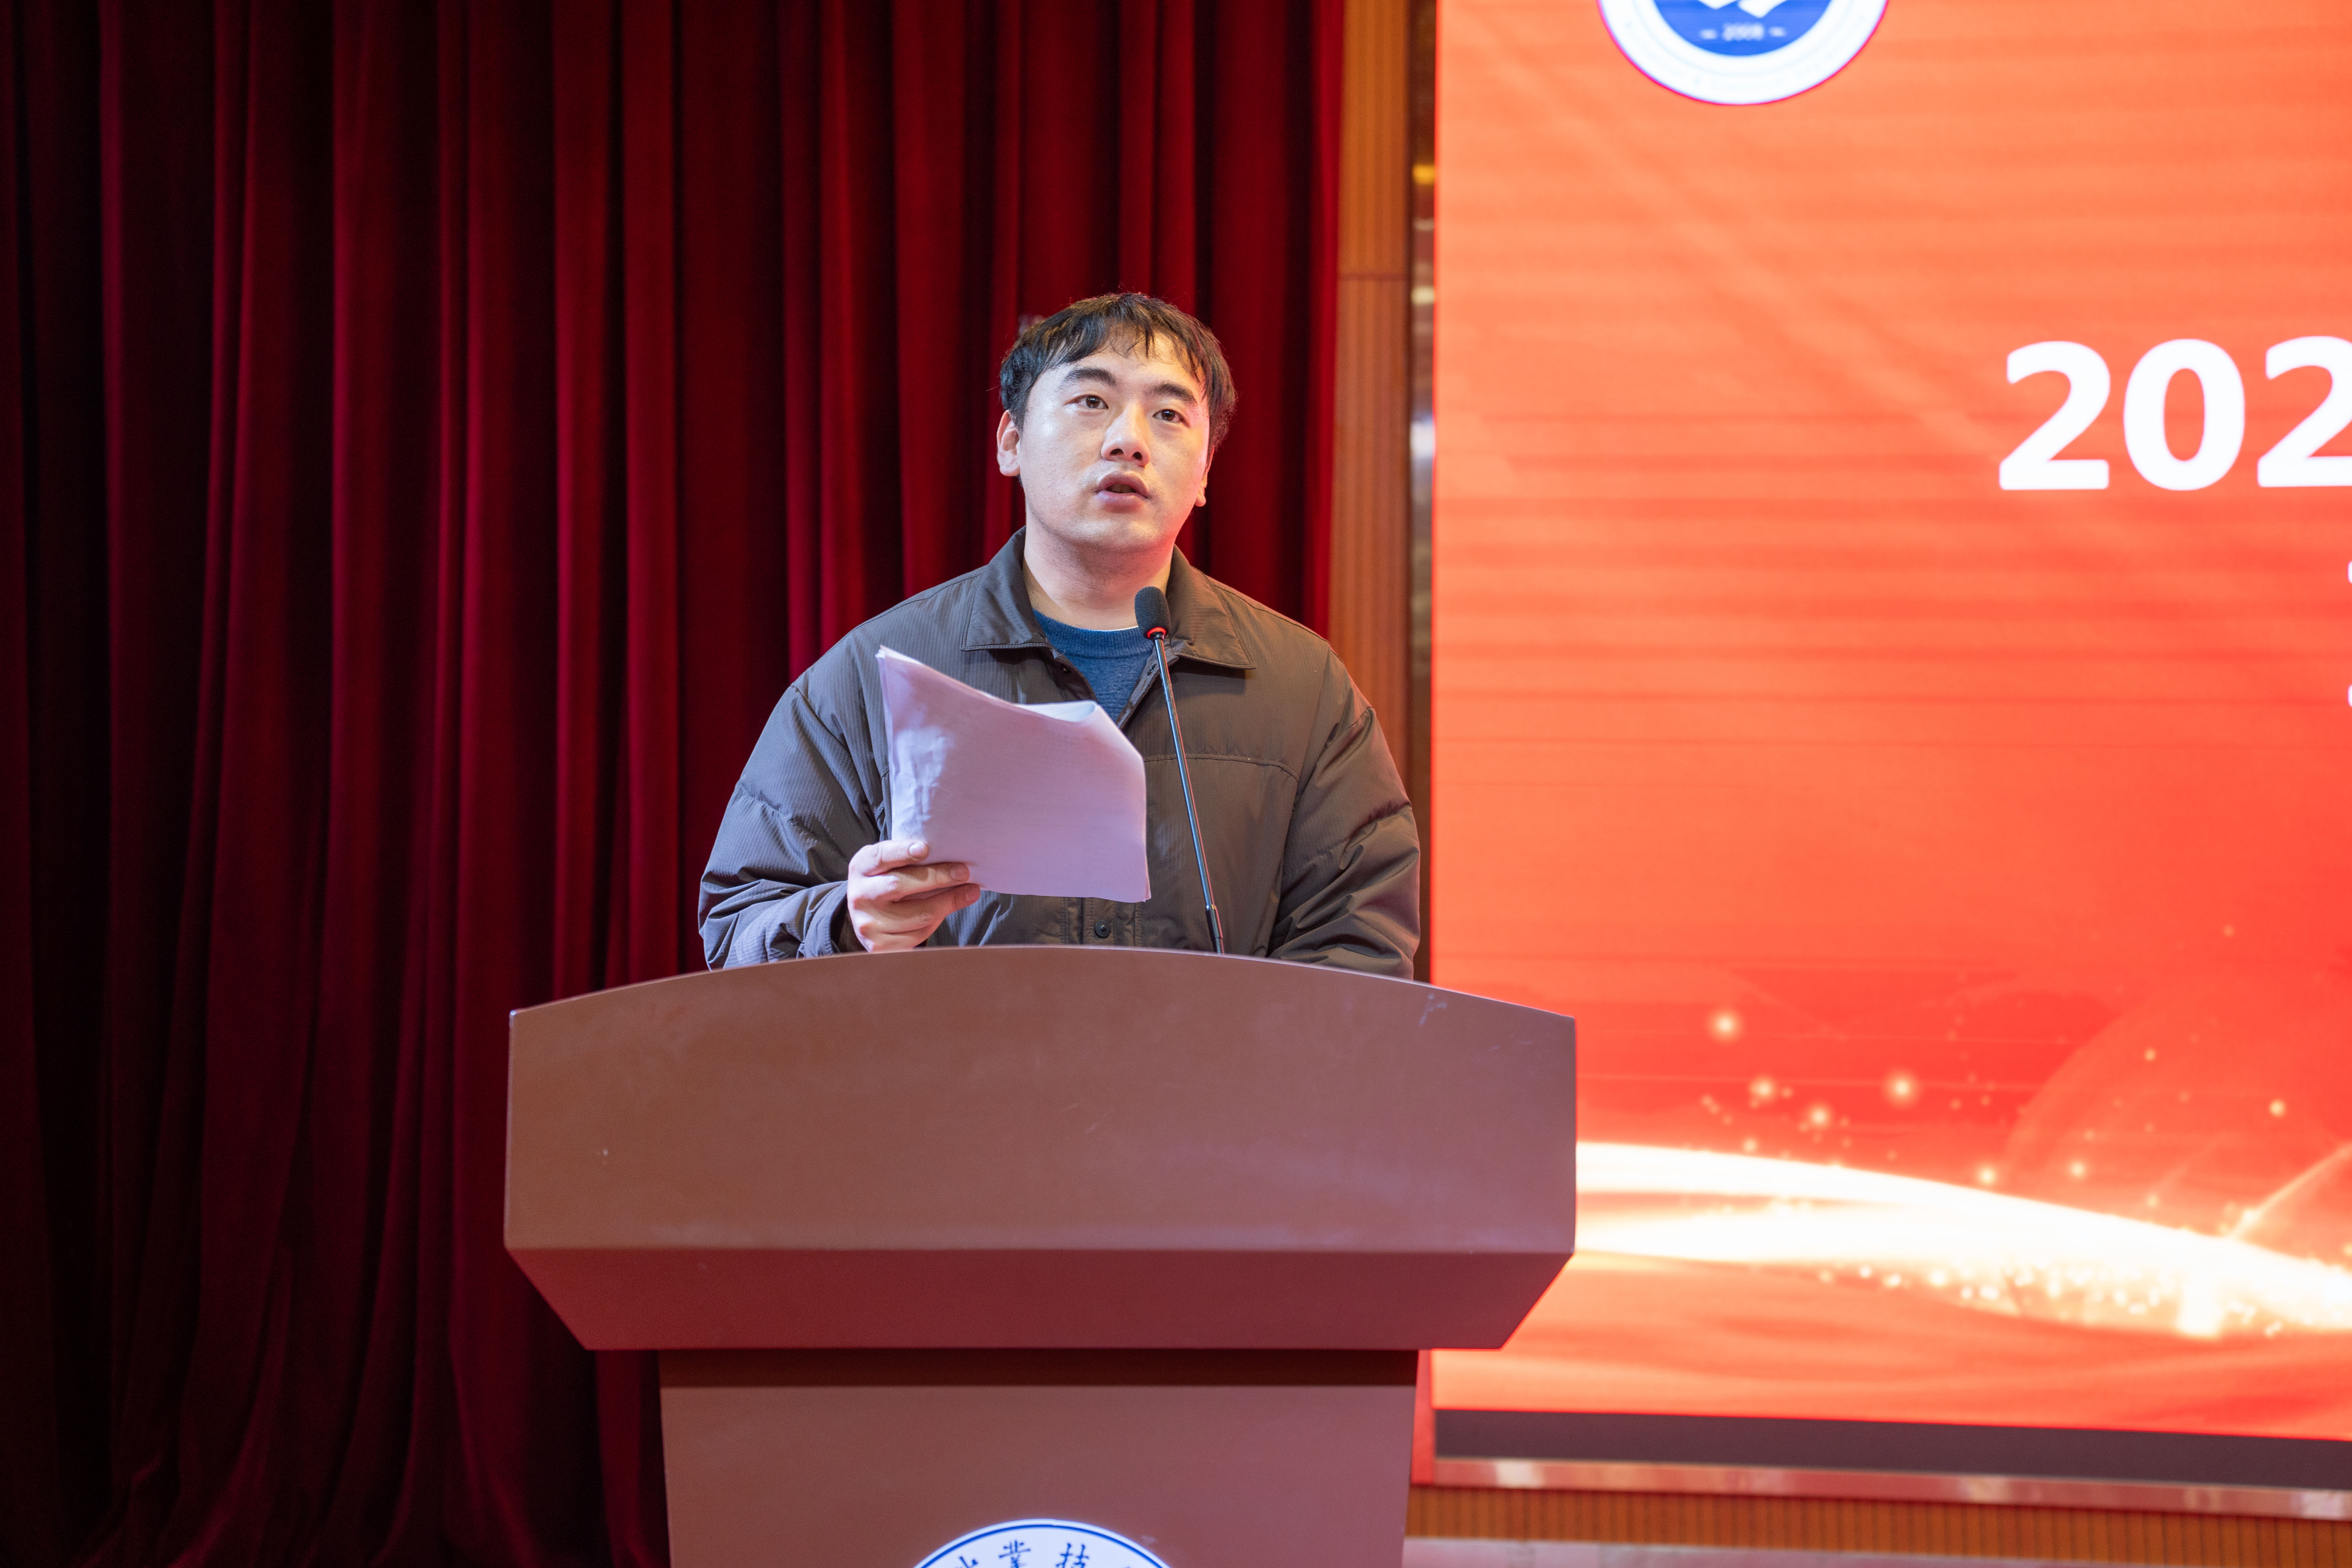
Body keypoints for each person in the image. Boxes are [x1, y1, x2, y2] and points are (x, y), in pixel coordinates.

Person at [698, 292, 1419, 976]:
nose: (1129, 441)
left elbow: (1361, 949)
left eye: (1169, 414)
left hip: (1214, 1074)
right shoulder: (878, 671)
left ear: (1205, 472)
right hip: (955, 1073)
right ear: (1011, 441)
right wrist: (846, 920)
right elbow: (739, 926)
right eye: (1091, 402)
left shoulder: (1301, 687)